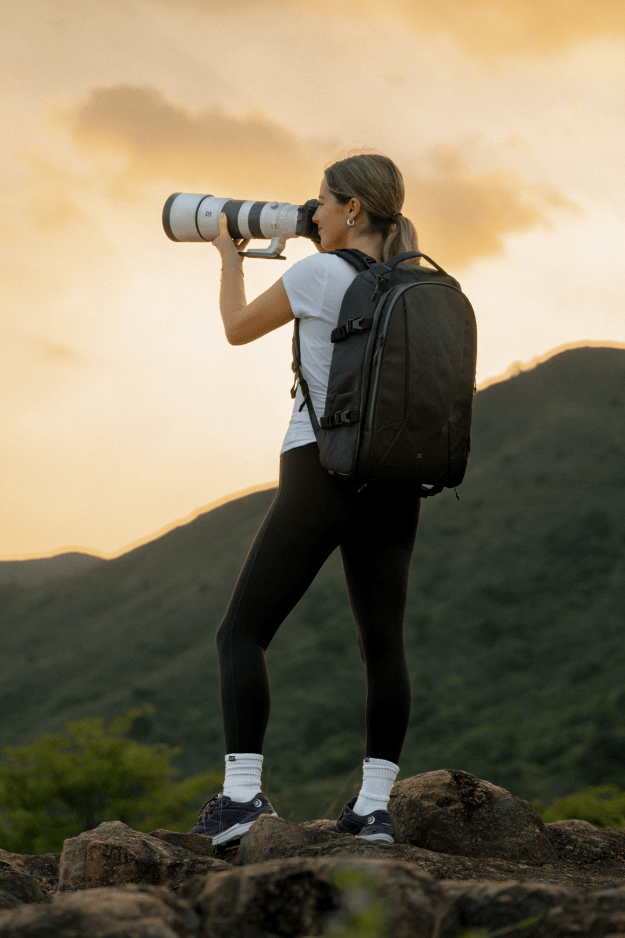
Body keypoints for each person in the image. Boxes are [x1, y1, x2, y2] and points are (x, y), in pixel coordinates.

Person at [189, 152, 422, 847]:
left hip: (322, 469)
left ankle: (241, 799)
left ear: (351, 209)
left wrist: (230, 258)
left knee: (241, 633)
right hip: (396, 478)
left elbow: (236, 328)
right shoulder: (411, 283)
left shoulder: (321, 272)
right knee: (382, 644)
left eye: (319, 201)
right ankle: (373, 809)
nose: (309, 212)